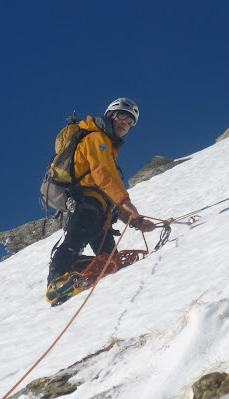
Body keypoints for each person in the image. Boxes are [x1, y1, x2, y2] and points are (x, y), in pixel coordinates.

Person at [46, 97, 156, 306]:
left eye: (130, 122)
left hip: (101, 207)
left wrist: (137, 222)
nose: (125, 123)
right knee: (75, 241)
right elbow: (104, 176)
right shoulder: (97, 138)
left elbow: (107, 191)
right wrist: (125, 202)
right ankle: (56, 281)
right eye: (122, 116)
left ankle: (89, 274)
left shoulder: (108, 145)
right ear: (110, 115)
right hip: (85, 201)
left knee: (107, 256)